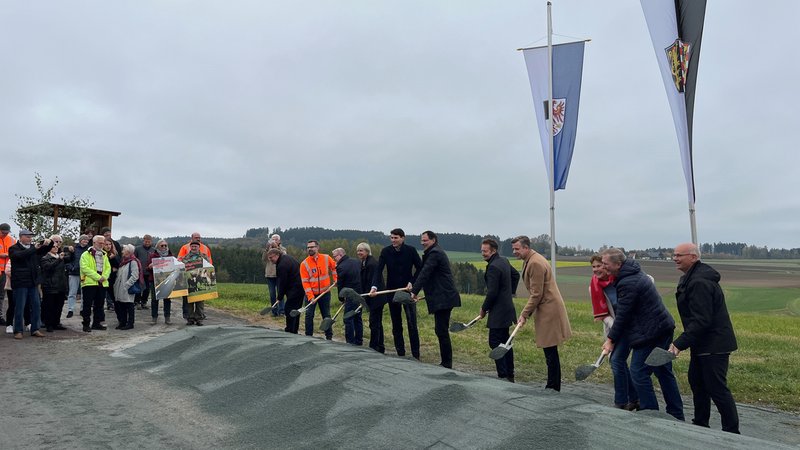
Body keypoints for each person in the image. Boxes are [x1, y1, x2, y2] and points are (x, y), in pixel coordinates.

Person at [601, 248, 684, 421]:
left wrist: (610, 340)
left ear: (617, 264)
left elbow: (623, 315)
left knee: (638, 372)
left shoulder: (628, 282)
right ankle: (676, 414)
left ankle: (650, 413)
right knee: (663, 371)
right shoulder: (632, 273)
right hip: (662, 328)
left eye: (605, 264)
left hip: (651, 333)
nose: (603, 267)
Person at [669, 243, 739, 433]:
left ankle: (732, 432)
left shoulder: (700, 282)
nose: (675, 258)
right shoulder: (690, 278)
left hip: (714, 343)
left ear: (693, 257)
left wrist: (679, 344)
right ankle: (701, 425)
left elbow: (702, 320)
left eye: (679, 255)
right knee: (697, 382)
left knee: (716, 387)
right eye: (674, 255)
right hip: (702, 343)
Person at [511, 235, 572, 391]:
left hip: (549, 309)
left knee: (550, 348)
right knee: (549, 349)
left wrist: (524, 314)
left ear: (526, 247)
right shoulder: (531, 260)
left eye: (517, 249)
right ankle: (552, 384)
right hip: (545, 307)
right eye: (513, 249)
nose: (514, 252)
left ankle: (553, 386)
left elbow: (536, 294)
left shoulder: (536, 263)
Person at [589, 254, 639, 410]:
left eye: (600, 266)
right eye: (594, 267)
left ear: (607, 265)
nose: (596, 270)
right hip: (616, 327)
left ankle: (625, 401)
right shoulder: (594, 286)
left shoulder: (620, 280)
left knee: (617, 361)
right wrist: (615, 328)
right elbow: (603, 315)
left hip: (633, 325)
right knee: (618, 361)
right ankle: (632, 399)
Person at [410, 231, 461, 369]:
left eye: (425, 240)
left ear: (433, 240)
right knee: (440, 330)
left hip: (445, 297)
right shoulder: (433, 252)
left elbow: (425, 273)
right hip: (441, 296)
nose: (422, 243)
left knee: (441, 330)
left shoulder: (435, 254)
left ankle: (447, 363)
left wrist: (414, 291)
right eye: (421, 240)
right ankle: (446, 362)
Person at [370, 228, 422, 358]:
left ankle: (416, 354)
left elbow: (420, 268)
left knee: (411, 323)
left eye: (396, 238)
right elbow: (378, 270)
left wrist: (412, 282)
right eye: (391, 238)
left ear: (403, 238)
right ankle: (401, 353)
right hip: (391, 291)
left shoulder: (411, 250)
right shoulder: (385, 251)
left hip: (407, 291)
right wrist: (374, 286)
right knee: (396, 323)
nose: (393, 240)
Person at [478, 238, 520, 382]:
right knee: (505, 342)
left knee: (494, 342)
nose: (482, 253)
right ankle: (510, 374)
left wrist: (484, 309)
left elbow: (492, 293)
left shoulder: (493, 267)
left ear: (493, 250)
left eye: (485, 251)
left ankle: (503, 375)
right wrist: (510, 293)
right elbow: (516, 275)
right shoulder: (504, 261)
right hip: (507, 309)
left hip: (499, 312)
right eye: (482, 250)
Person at [9, 230, 54, 339]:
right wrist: (35, 248)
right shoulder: (14, 248)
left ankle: (35, 329)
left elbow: (45, 249)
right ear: (21, 237)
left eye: (31, 236)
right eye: (27, 236)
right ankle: (18, 331)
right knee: (20, 307)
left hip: (33, 282)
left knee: (36, 306)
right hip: (20, 282)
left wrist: (50, 242)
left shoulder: (34, 248)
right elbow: (20, 256)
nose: (30, 238)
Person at [299, 240, 337, 340]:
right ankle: (308, 336)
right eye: (308, 247)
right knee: (309, 315)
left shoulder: (326, 258)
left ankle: (329, 336)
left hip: (325, 292)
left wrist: (336, 279)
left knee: (326, 315)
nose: (310, 249)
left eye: (312, 247)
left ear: (317, 247)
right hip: (311, 294)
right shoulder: (304, 264)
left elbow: (334, 268)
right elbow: (305, 282)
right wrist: (311, 297)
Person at [267, 248, 304, 334]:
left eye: (271, 257)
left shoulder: (282, 265)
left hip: (294, 289)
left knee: (289, 310)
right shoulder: (288, 258)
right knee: (296, 311)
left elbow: (282, 282)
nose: (270, 260)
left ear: (277, 255)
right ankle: (294, 330)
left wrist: (279, 296)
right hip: (300, 288)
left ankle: (290, 331)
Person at [358, 242, 386, 353]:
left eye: (361, 250)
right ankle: (380, 346)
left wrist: (366, 298)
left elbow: (371, 281)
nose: (359, 253)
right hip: (372, 297)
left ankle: (375, 347)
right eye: (358, 250)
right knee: (377, 322)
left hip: (377, 297)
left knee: (374, 322)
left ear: (367, 251)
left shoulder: (371, 264)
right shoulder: (364, 263)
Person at [80, 235, 111, 332]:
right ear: (94, 243)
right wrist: (98, 277)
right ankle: (86, 324)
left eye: (103, 243)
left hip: (102, 284)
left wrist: (104, 277)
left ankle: (96, 323)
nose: (102, 245)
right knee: (87, 305)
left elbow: (108, 267)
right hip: (89, 283)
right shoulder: (85, 254)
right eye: (100, 243)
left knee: (99, 305)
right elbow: (84, 268)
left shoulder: (104, 254)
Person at [178, 232, 213, 319]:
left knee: (200, 302)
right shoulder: (185, 257)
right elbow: (180, 266)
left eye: (196, 246)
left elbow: (209, 266)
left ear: (198, 247)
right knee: (189, 302)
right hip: (189, 282)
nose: (194, 248)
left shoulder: (204, 256)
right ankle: (189, 318)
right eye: (192, 246)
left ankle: (199, 318)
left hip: (201, 281)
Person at [332, 247, 362, 346]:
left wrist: (341, 298)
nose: (334, 259)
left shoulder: (341, 267)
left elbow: (340, 284)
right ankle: (359, 341)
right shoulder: (357, 261)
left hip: (350, 295)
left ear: (340, 255)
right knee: (357, 317)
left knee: (348, 318)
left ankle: (350, 342)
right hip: (361, 294)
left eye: (334, 256)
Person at [40, 235, 69, 332]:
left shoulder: (61, 256)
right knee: (49, 306)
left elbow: (71, 258)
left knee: (59, 306)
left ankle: (56, 323)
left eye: (57, 247)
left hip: (61, 285)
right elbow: (48, 267)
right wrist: (59, 260)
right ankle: (49, 324)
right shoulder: (45, 257)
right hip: (50, 285)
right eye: (53, 246)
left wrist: (71, 252)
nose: (56, 248)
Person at [113, 244, 141, 330]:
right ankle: (123, 322)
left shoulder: (133, 262)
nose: (122, 251)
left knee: (129, 305)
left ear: (128, 252)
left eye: (124, 250)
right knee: (122, 305)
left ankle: (130, 323)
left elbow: (135, 276)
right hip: (120, 287)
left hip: (127, 288)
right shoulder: (123, 261)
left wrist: (126, 285)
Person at [63, 234, 90, 318]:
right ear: (80, 240)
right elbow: (68, 260)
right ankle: (70, 309)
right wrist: (71, 268)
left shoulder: (89, 250)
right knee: (72, 292)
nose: (85, 241)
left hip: (85, 274)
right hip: (74, 273)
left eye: (87, 240)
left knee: (84, 293)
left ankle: (82, 310)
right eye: (84, 239)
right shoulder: (73, 249)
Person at [148, 240, 174, 324]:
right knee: (154, 300)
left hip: (167, 280)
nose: (164, 247)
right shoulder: (152, 256)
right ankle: (154, 317)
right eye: (162, 246)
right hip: (155, 281)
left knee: (167, 300)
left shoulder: (171, 256)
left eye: (165, 245)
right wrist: (150, 266)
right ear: (157, 247)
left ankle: (167, 317)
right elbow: (146, 268)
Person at [261, 236, 286, 316]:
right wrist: (267, 249)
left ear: (279, 241)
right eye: (273, 239)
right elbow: (264, 259)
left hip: (279, 274)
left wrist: (277, 248)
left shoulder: (283, 249)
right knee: (272, 294)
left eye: (276, 239)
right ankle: (274, 311)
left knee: (280, 293)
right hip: (270, 274)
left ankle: (281, 311)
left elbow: (284, 257)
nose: (274, 241)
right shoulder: (268, 250)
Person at [0, 223, 16, 325]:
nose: (5, 235)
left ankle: (0, 316)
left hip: (6, 271)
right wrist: (3, 255)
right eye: (3, 232)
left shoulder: (12, 240)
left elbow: (16, 252)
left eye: (6, 233)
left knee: (1, 295)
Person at [134, 235, 155, 310]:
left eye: (149, 241)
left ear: (151, 241)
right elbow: (134, 259)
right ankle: (137, 302)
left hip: (149, 273)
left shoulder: (153, 250)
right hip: (139, 272)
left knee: (147, 289)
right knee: (139, 288)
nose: (147, 243)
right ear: (143, 241)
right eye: (146, 241)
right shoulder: (137, 249)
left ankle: (144, 302)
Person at [103, 238, 120, 311]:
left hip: (112, 279)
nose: (108, 246)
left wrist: (113, 258)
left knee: (114, 297)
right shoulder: (101, 254)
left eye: (110, 244)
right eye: (106, 244)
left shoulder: (115, 254)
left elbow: (118, 265)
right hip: (103, 278)